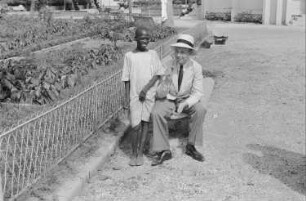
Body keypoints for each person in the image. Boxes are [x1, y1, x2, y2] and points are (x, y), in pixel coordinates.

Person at [151, 34, 207, 166]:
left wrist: (185, 103)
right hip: (169, 98)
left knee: (200, 110)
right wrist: (165, 82)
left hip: (187, 98)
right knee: (156, 112)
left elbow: (198, 92)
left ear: (190, 53)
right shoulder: (167, 64)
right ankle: (164, 150)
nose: (179, 55)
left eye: (183, 52)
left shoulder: (196, 67)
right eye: (177, 51)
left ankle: (191, 146)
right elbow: (158, 93)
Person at [122, 26, 164, 166]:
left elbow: (157, 74)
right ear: (136, 39)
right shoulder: (129, 56)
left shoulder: (152, 54)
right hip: (134, 95)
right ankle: (133, 153)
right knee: (135, 125)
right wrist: (127, 97)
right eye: (142, 38)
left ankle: (140, 153)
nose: (144, 41)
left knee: (145, 122)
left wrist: (145, 90)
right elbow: (126, 78)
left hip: (148, 94)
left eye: (147, 38)